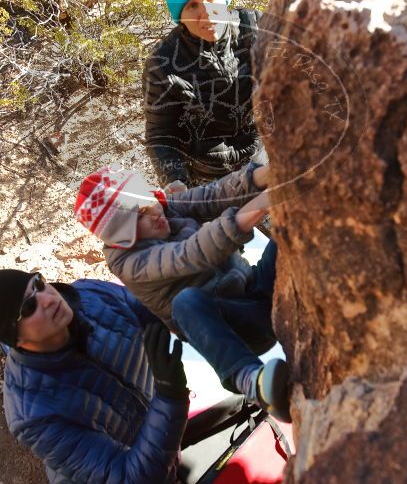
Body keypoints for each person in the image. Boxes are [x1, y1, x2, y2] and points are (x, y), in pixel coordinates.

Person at [74, 162, 291, 422]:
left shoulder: (166, 209)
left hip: (256, 288)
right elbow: (192, 253)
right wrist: (262, 203)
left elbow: (214, 195)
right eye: (139, 217)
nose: (154, 213)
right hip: (237, 330)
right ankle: (253, 382)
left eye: (150, 202)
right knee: (186, 302)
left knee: (288, 231)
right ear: (123, 235)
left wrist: (270, 171)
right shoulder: (129, 262)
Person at [0, 270, 189, 483]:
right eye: (28, 307)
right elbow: (130, 477)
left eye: (39, 283)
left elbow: (159, 310)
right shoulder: (33, 415)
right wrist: (170, 395)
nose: (49, 299)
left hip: (161, 425)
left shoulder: (93, 295)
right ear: (15, 339)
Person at [144, 0, 267, 188]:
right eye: (192, 6)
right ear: (179, 16)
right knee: (228, 226)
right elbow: (160, 134)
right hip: (210, 177)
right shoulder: (162, 63)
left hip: (263, 155)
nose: (207, 15)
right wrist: (174, 179)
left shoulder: (255, 25)